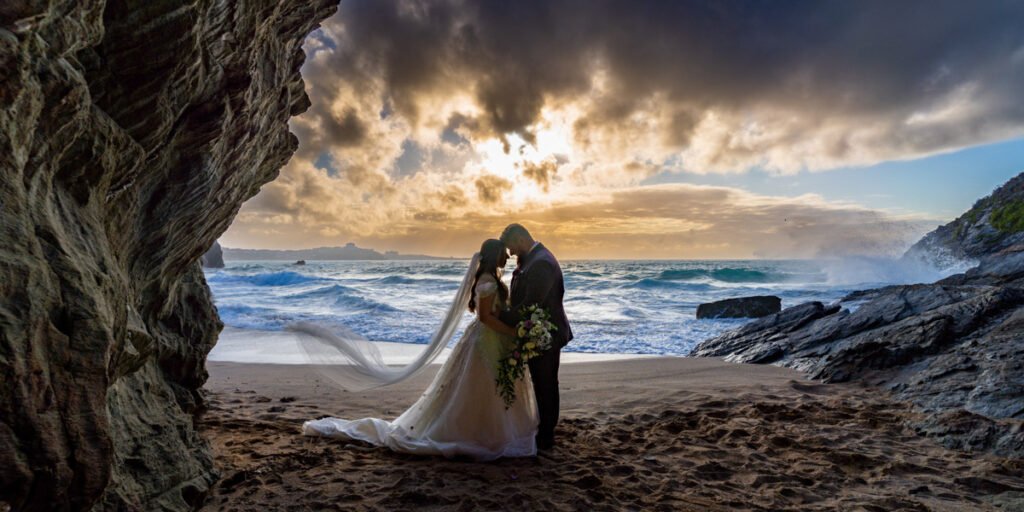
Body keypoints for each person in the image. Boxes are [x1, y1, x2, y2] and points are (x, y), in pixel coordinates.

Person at [299, 239, 539, 460]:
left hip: (490, 339)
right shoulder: (487, 281)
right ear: (495, 255)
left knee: (490, 387)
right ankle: (481, 432)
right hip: (486, 340)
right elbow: (485, 317)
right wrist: (513, 332)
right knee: (482, 387)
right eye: (504, 254)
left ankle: (489, 429)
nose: (507, 258)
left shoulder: (489, 278)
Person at [498, 223, 573, 450]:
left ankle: (547, 436)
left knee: (546, 383)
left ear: (520, 238)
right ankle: (542, 428)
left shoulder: (541, 263)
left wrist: (498, 316)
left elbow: (530, 305)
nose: (510, 253)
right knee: (541, 383)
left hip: (546, 334)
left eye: (510, 247)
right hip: (537, 331)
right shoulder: (531, 259)